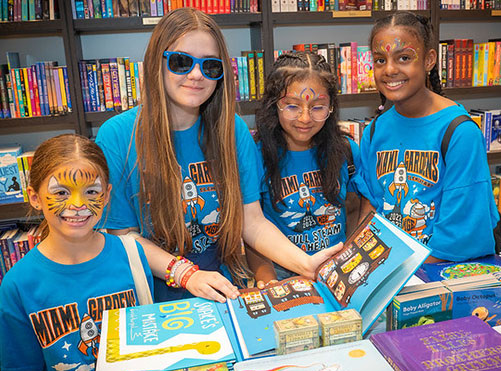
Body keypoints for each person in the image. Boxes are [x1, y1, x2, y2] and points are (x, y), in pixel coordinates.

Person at [95, 8, 341, 303]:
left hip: (226, 292)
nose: (196, 75)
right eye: (181, 62)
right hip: (155, 300)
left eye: (210, 66)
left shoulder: (231, 130)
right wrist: (186, 274)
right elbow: (124, 235)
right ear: (155, 63)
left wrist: (305, 264)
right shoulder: (118, 135)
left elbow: (251, 221)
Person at [0, 134, 153, 371]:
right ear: (35, 197)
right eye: (60, 192)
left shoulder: (132, 255)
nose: (78, 205)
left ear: (106, 196)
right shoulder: (18, 285)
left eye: (91, 191)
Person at [358, 11, 500, 263]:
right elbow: (372, 210)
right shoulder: (374, 130)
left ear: (429, 60)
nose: (390, 69)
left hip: (441, 274)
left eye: (403, 58)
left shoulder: (460, 132)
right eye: (380, 60)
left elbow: (459, 235)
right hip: (392, 269)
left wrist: (395, 272)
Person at [248, 52, 361, 286]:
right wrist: (267, 281)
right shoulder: (255, 155)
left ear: (331, 107)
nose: (305, 118)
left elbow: (353, 210)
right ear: (274, 105)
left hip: (336, 275)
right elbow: (252, 231)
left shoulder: (346, 150)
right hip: (282, 278)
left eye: (318, 107)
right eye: (292, 106)